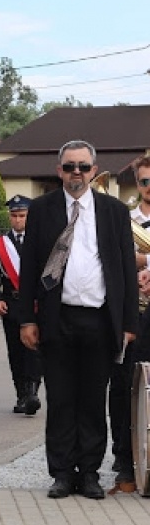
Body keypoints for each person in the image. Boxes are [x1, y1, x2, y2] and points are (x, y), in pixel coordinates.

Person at [18, 139, 139, 500]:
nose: (76, 173)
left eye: (83, 167)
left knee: (91, 400)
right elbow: (29, 270)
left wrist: (128, 323)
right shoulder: (41, 209)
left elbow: (124, 274)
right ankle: (61, 473)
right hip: (58, 318)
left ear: (93, 170)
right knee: (60, 399)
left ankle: (88, 473)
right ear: (59, 170)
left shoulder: (114, 211)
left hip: (100, 320)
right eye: (70, 166)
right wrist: (27, 318)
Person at [107, 155, 150, 491]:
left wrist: (147, 261)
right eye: (145, 181)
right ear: (137, 182)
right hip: (133, 312)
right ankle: (124, 463)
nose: (149, 188)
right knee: (123, 385)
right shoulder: (123, 217)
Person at [0, 195, 42, 416]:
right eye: (14, 216)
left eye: (22, 216)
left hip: (35, 303)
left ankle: (32, 391)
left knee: (35, 349)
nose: (18, 220)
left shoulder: (39, 240)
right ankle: (21, 393)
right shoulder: (1, 244)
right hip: (12, 302)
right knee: (16, 350)